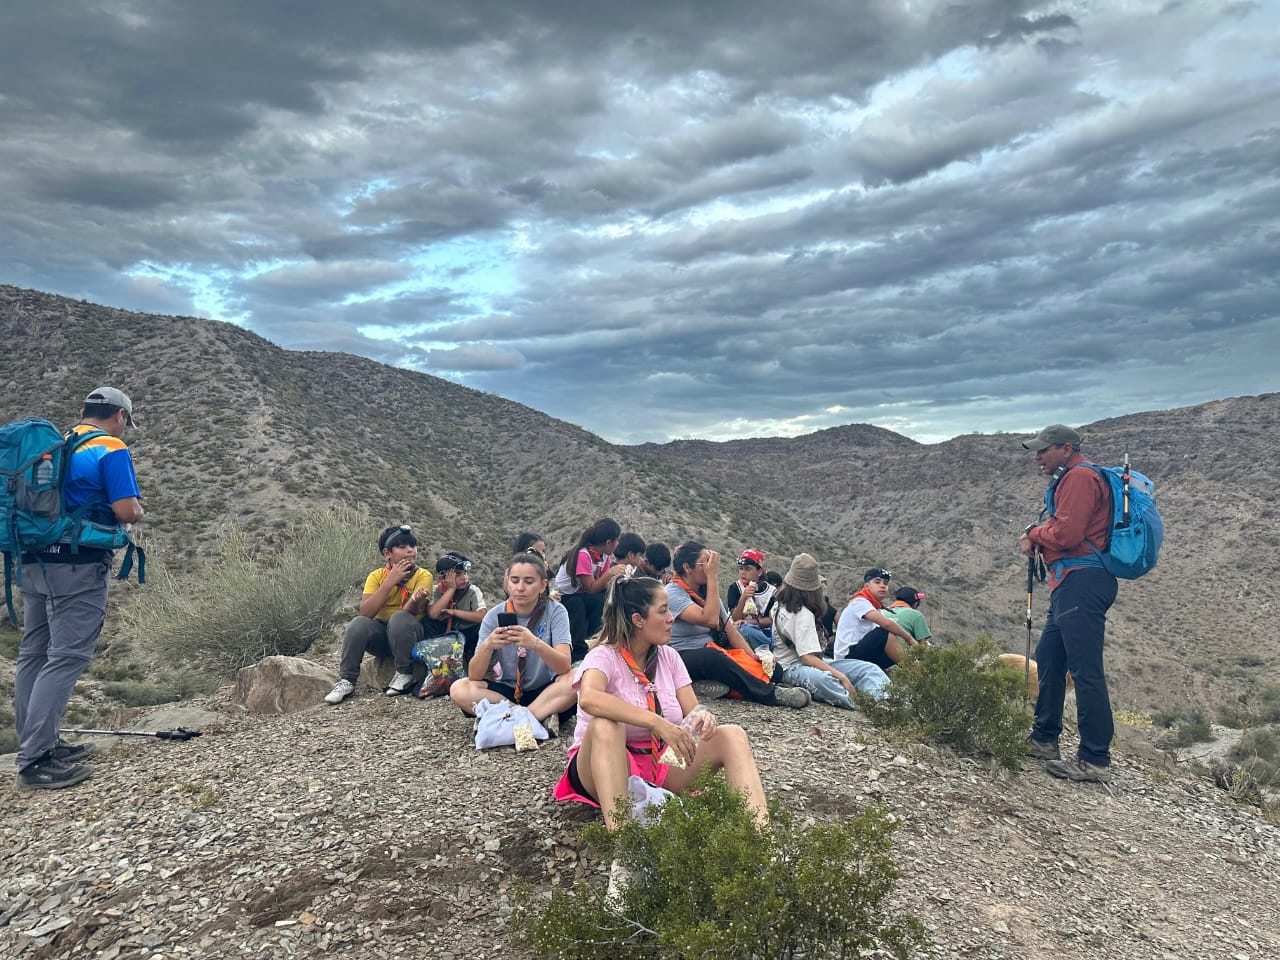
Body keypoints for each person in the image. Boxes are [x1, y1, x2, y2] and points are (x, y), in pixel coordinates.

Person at [553, 575, 768, 831]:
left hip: (660, 763)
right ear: (638, 620)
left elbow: (692, 710)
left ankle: (760, 837)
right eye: (663, 611)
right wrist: (656, 722)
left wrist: (703, 717)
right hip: (605, 764)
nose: (671, 618)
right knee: (606, 725)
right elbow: (590, 698)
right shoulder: (604, 656)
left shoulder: (669, 656)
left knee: (732, 735)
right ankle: (624, 840)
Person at [13, 387, 144, 789]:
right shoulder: (110, 447)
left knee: (34, 653)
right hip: (77, 565)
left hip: (33, 561)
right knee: (66, 656)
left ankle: (40, 743)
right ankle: (35, 760)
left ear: (83, 410)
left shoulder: (55, 445)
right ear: (119, 416)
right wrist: (138, 510)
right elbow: (126, 510)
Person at [1019, 424, 1119, 783]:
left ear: (1065, 448)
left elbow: (1067, 534)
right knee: (1049, 657)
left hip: (1082, 582)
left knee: (1085, 670)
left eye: (1043, 450)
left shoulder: (1079, 478)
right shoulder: (1072, 477)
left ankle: (1095, 759)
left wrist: (1033, 534)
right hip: (1070, 583)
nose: (1038, 456)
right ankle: (1044, 739)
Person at [666, 541, 809, 708]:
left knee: (773, 670)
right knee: (712, 657)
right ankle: (771, 694)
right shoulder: (672, 593)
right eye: (704, 563)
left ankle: (711, 686)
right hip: (683, 655)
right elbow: (710, 619)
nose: (709, 567)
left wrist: (753, 656)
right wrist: (712, 577)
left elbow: (729, 628)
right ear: (687, 568)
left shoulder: (706, 591)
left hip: (713, 650)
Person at [450, 552, 577, 724]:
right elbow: (474, 675)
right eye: (515, 581)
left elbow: (564, 666)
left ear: (542, 585)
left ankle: (508, 719)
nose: (520, 588)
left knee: (577, 678)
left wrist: (535, 643)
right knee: (459, 688)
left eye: (529, 582)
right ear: (507, 583)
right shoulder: (493, 616)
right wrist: (488, 646)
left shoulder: (556, 611)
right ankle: (531, 717)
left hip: (546, 690)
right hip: (508, 691)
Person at [324, 525, 434, 704]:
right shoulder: (376, 576)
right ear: (387, 553)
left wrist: (415, 600)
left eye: (412, 546)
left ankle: (404, 673)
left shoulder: (423, 575)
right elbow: (366, 612)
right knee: (358, 623)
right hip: (383, 636)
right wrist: (389, 582)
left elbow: (412, 613)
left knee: (400, 619)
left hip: (409, 635)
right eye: (402, 547)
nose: (410, 551)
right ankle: (347, 680)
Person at [771, 554, 890, 707]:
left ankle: (883, 701)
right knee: (825, 679)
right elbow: (807, 658)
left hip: (795, 661)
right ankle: (868, 704)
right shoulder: (803, 614)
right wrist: (841, 677)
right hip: (791, 667)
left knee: (868, 669)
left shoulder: (779, 604)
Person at [553, 518, 624, 660]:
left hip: (581, 594)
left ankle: (597, 638)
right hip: (565, 596)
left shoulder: (605, 557)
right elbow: (591, 588)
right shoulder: (583, 555)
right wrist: (610, 574)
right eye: (616, 541)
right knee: (579, 604)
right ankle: (578, 650)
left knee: (605, 598)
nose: (618, 544)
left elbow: (601, 584)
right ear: (608, 543)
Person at [833, 568, 920, 670]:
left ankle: (916, 668)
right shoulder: (859, 602)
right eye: (877, 582)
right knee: (885, 633)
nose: (882, 586)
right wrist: (909, 638)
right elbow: (887, 624)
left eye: (885, 583)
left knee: (893, 648)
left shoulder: (875, 607)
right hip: (847, 658)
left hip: (861, 653)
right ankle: (915, 671)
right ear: (867, 586)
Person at [424, 552, 489, 662]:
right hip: (443, 635)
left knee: (481, 628)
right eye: (458, 574)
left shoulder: (472, 591)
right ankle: (435, 655)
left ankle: (472, 657)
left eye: (465, 573)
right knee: (427, 621)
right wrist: (451, 589)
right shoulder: (435, 591)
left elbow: (482, 616)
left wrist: (454, 612)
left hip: (467, 633)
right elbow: (433, 614)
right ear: (442, 578)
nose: (464, 578)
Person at [726, 549, 775, 650]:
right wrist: (743, 598)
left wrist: (748, 622)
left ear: (759, 572)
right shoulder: (735, 588)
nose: (743, 573)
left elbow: (770, 620)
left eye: (747, 569)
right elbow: (735, 618)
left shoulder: (771, 592)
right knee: (744, 630)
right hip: (738, 631)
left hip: (761, 632)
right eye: (741, 569)